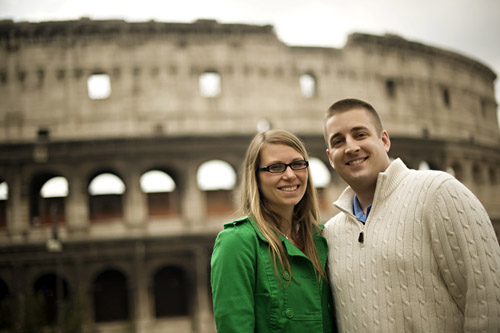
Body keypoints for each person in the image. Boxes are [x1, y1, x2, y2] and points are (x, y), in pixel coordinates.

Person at [322, 97, 500, 332]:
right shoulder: (330, 232)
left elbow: (488, 301)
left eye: (360, 134)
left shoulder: (439, 191)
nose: (351, 147)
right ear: (330, 158)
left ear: (384, 140)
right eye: (338, 141)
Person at [210, 129, 335, 332]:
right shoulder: (236, 242)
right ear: (256, 177)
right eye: (276, 167)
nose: (290, 175)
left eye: (297, 164)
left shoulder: (322, 237)